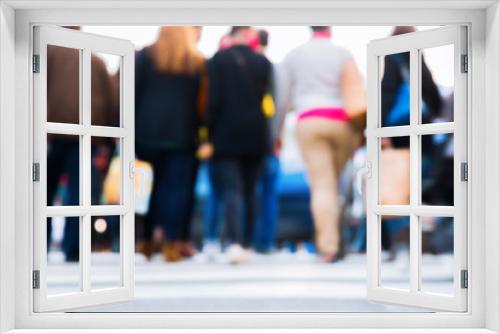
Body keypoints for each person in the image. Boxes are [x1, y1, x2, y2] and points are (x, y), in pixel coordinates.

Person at [276, 26, 363, 262]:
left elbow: (283, 96)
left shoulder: (295, 55)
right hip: (343, 123)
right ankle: (339, 237)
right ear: (330, 28)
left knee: (322, 186)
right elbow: (357, 88)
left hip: (310, 121)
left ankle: (328, 246)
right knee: (337, 185)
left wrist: (277, 132)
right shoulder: (343, 53)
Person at [135, 26, 206, 262]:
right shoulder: (195, 61)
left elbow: (132, 93)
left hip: (147, 133)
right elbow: (201, 104)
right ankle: (171, 242)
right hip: (182, 134)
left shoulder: (145, 55)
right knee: (176, 189)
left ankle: (145, 239)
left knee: (149, 187)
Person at [46, 27, 117, 262]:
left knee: (42, 192)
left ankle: (37, 245)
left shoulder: (46, 54)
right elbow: (111, 102)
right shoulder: (96, 60)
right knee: (81, 195)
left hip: (50, 134)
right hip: (88, 135)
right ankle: (74, 248)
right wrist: (107, 142)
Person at [207, 26, 272, 264]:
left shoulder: (217, 61)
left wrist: (209, 133)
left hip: (225, 133)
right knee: (250, 190)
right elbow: (267, 98)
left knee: (231, 190)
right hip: (256, 133)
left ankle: (235, 242)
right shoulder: (263, 62)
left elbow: (212, 101)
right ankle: (248, 242)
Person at [253, 29, 281, 253]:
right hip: (269, 140)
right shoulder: (270, 67)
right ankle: (266, 241)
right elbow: (276, 105)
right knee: (269, 193)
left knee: (251, 190)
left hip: (252, 139)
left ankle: (252, 240)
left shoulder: (253, 65)